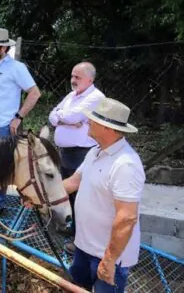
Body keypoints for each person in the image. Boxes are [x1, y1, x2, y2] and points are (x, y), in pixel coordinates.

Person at [63, 97, 145, 293]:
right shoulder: (95, 152)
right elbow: (73, 182)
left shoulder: (126, 164)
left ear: (108, 128)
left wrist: (109, 260)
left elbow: (127, 217)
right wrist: (39, 197)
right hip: (84, 246)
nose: (88, 122)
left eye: (93, 119)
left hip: (107, 256)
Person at [0, 27, 41, 217]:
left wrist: (18, 117)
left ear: (4, 48)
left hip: (4, 126)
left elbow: (35, 93)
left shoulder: (17, 68)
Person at [48, 62, 105, 253]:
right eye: (72, 76)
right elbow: (52, 116)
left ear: (90, 79)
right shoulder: (72, 96)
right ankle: (72, 230)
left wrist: (64, 119)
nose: (73, 80)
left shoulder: (96, 97)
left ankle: (81, 241)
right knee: (69, 195)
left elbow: (71, 117)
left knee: (82, 197)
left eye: (77, 77)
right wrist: (68, 120)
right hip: (67, 154)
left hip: (83, 153)